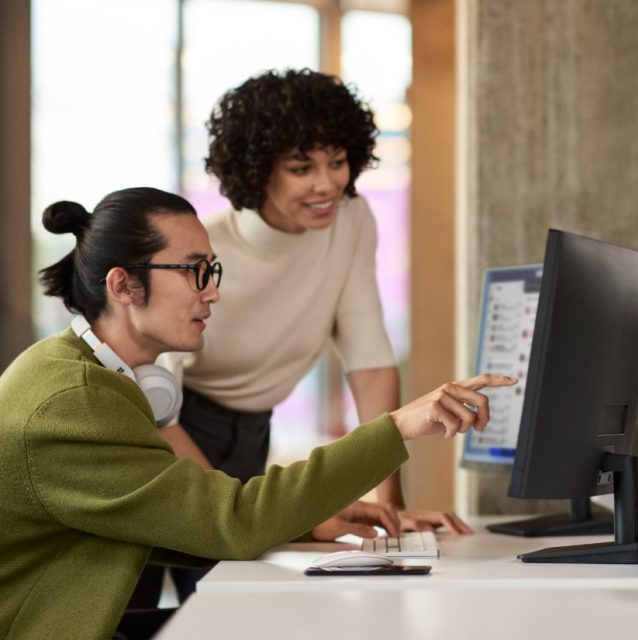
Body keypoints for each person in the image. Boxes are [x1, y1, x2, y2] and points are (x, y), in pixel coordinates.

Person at [0, 187, 513, 639]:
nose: (213, 291)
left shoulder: (91, 377)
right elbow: (233, 522)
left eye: (212, 271)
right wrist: (399, 426)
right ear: (123, 286)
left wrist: (312, 524)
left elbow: (186, 522)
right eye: (194, 271)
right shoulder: (73, 403)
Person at [158, 68, 469, 538]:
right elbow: (158, 408)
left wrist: (393, 507)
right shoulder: (205, 249)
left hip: (254, 434)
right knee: (162, 592)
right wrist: (252, 516)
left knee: (242, 594)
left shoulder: (352, 219)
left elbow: (370, 362)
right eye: (301, 168)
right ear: (258, 169)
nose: (326, 185)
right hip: (169, 430)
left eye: (337, 161)